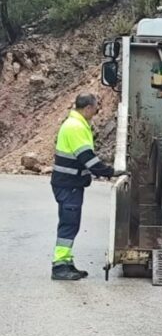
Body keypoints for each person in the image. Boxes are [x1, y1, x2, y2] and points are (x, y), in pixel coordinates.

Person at [50, 94, 124, 281]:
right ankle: (59, 266)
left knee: (70, 223)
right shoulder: (76, 127)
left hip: (68, 184)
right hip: (69, 185)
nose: (97, 111)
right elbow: (88, 159)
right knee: (69, 224)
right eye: (96, 107)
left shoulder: (75, 123)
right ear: (88, 108)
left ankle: (66, 262)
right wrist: (112, 172)